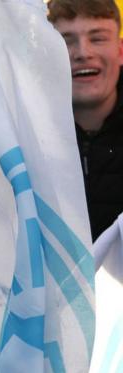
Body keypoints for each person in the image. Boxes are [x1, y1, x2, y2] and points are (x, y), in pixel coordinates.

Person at [49, 0, 123, 238]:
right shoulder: (19, 137)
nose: (82, 53)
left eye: (98, 38)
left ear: (121, 51)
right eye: (66, 40)